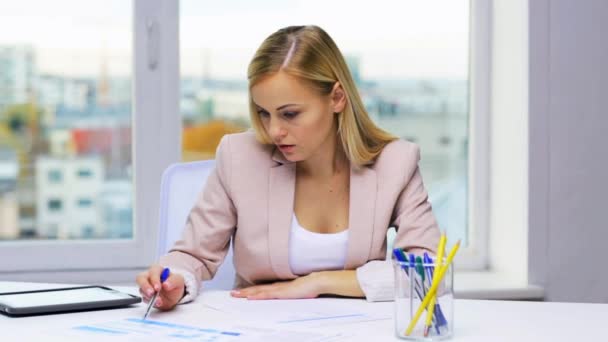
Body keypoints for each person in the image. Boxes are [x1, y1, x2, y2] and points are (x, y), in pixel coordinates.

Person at [136, 25, 440, 311]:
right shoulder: (239, 157)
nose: (274, 131)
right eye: (264, 114)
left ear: (336, 98)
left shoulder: (395, 163)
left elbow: (428, 273)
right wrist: (174, 279)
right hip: (259, 327)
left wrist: (316, 283)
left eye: (290, 114)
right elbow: (192, 254)